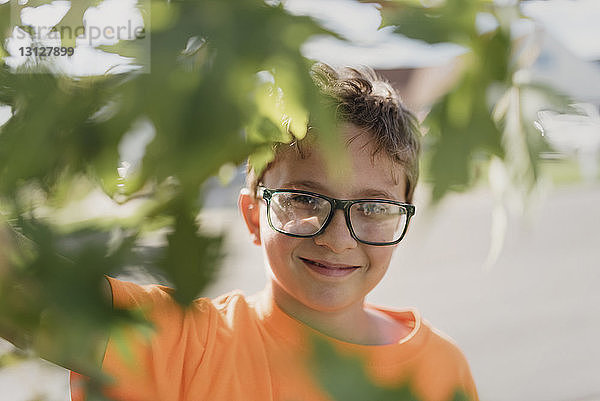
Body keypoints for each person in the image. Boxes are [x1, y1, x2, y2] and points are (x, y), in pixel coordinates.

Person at [8, 64, 480, 401]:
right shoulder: (183, 345)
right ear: (253, 214)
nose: (337, 238)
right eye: (304, 199)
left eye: (374, 206)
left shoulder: (440, 367)